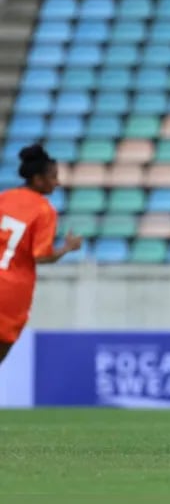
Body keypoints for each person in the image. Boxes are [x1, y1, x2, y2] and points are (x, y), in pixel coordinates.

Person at [0, 143, 82, 366]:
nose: (57, 183)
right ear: (38, 179)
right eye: (53, 177)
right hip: (10, 293)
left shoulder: (4, 198)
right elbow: (41, 256)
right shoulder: (44, 210)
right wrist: (67, 248)